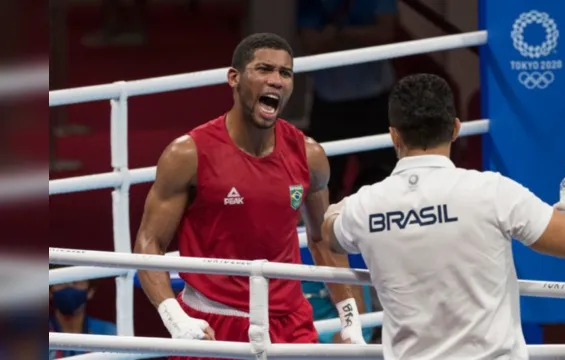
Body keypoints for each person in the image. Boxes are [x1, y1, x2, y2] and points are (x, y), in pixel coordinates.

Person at [321, 74, 565, 360]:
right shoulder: (492, 192)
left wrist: (340, 209)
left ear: (394, 136)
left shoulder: (365, 205)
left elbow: (329, 234)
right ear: (455, 129)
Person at [133, 33, 366, 359]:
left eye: (285, 73)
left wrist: (351, 320)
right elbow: (149, 242)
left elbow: (322, 239)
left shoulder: (309, 155)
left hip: (289, 324)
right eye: (264, 69)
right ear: (234, 78)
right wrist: (176, 318)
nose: (276, 80)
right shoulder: (188, 154)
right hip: (212, 322)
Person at [297, 0, 399, 203]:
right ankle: (325, 233)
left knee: (382, 180)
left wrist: (339, 35)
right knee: (322, 182)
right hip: (329, 99)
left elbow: (386, 33)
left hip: (375, 97)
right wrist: (360, 35)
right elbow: (312, 43)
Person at [48, 265, 117, 359]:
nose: (68, 287)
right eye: (61, 282)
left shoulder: (109, 333)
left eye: (76, 282)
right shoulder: (33, 336)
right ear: (50, 292)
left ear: (90, 291)